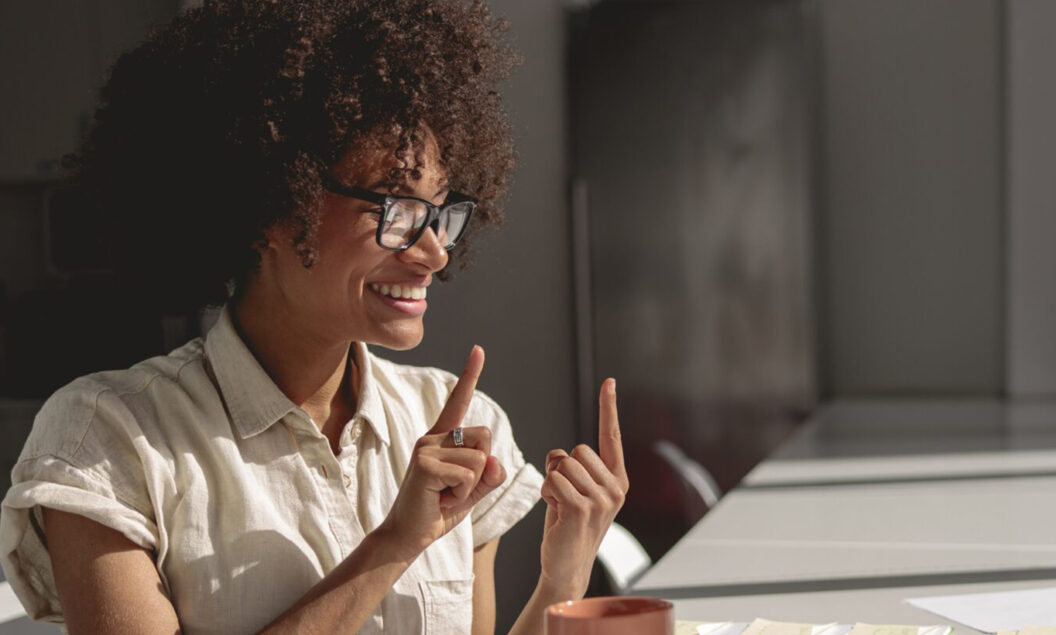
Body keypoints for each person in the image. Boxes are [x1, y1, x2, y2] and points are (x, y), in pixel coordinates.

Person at [0, 0, 626, 633]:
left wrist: (564, 574)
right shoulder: (105, 442)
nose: (435, 250)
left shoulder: (459, 424)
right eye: (392, 208)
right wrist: (393, 545)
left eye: (438, 211)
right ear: (268, 207)